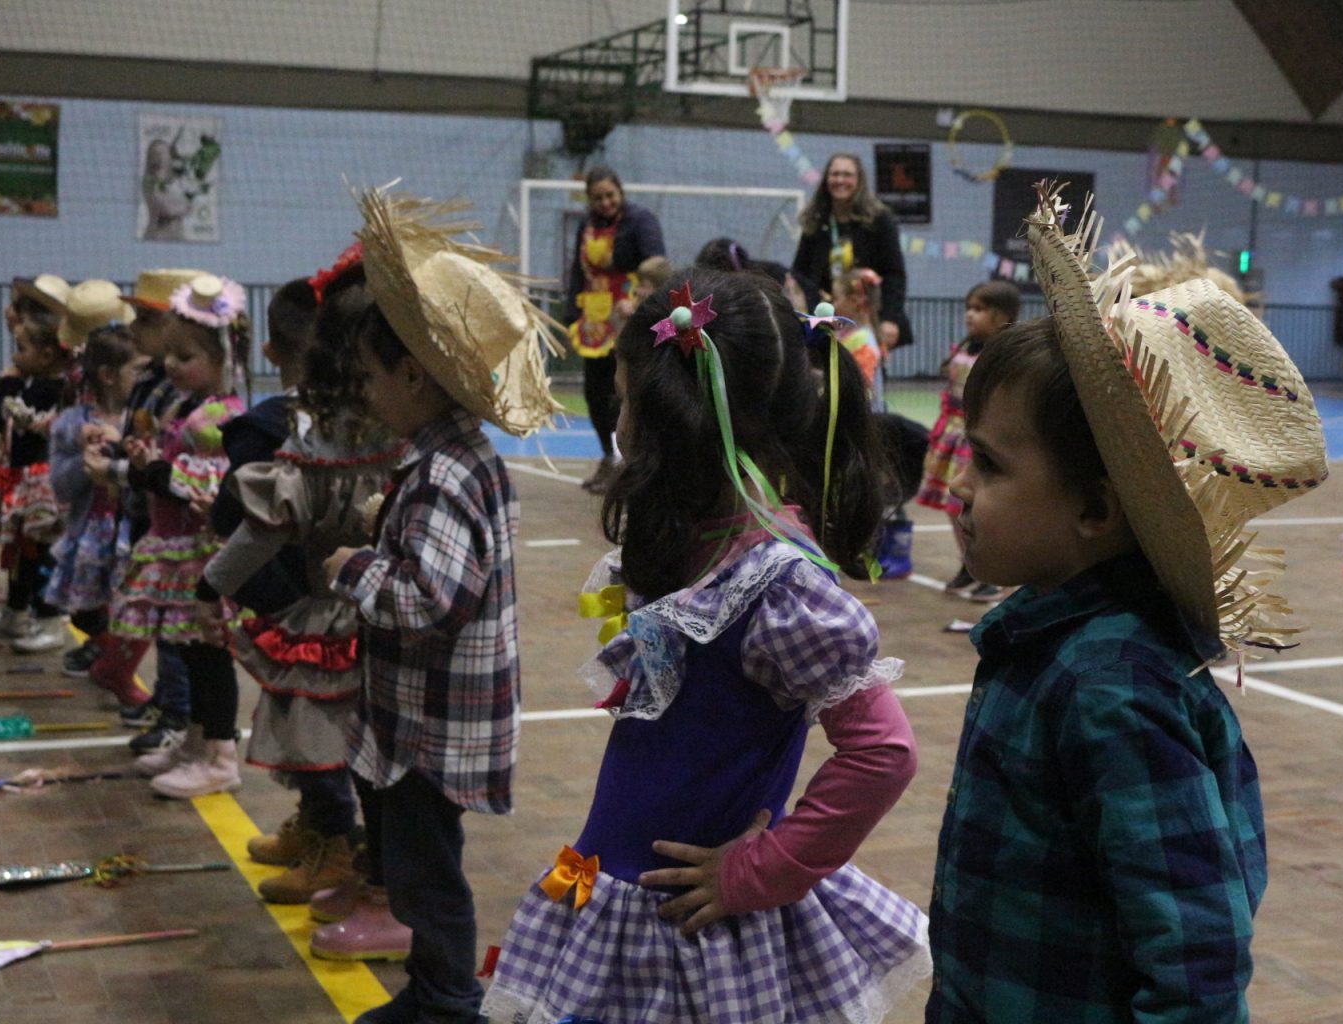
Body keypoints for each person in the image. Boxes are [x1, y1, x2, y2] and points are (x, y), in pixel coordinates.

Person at [482, 269, 930, 1023]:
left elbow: (884, 753)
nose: (618, 417)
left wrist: (767, 869)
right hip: (610, 878)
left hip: (691, 923)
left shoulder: (776, 582)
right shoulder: (696, 543)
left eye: (625, 397)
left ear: (669, 411)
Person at [925, 184, 1327, 1023]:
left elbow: (1196, 958)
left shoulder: (1113, 687)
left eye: (991, 466)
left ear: (1096, 512)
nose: (959, 486)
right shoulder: (1044, 646)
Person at [319, 185, 560, 1024]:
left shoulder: (444, 474)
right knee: (416, 862)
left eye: (371, 378)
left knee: (427, 873)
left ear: (414, 376)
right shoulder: (453, 458)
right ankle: (434, 989)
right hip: (423, 718)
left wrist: (355, 566)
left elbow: (432, 601)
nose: (366, 393)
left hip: (432, 728)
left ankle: (448, 1001)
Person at [198, 264, 404, 906]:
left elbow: (267, 523)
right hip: (365, 609)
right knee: (323, 734)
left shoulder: (324, 442)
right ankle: (328, 834)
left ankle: (339, 848)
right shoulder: (400, 437)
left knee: (317, 733)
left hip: (336, 612)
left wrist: (212, 585)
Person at [112, 274, 249, 799]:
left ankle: (221, 754)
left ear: (223, 359)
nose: (171, 365)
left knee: (210, 656)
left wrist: (151, 473)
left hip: (201, 555)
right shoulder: (186, 410)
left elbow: (200, 489)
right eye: (170, 354)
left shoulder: (218, 420)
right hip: (176, 550)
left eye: (185, 356)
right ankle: (195, 742)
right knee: (190, 653)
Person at [87, 269, 204, 738]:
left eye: (143, 320)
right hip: (146, 518)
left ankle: (178, 715)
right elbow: (140, 443)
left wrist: (115, 470)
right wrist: (113, 452)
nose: (132, 329)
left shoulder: (181, 394)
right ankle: (168, 701)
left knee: (177, 628)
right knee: (158, 618)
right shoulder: (150, 381)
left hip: (178, 532)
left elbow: (168, 465)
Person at [0, 274, 73, 653]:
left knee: (44, 549)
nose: (15, 355)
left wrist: (11, 386)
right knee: (20, 549)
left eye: (21, 348)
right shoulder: (33, 380)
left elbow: (9, 414)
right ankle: (16, 609)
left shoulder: (56, 387)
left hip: (43, 479)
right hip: (21, 475)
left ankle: (48, 617)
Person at [45, 303, 147, 676]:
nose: (146, 376)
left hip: (130, 532)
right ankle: (103, 649)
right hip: (89, 532)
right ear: (107, 375)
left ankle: (114, 663)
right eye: (137, 370)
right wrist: (87, 462)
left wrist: (125, 448)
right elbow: (60, 485)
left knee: (128, 605)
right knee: (85, 609)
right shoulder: (72, 423)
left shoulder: (143, 418)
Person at [563, 165, 665, 494]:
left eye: (610, 195)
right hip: (594, 322)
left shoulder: (641, 221)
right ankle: (608, 456)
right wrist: (571, 315)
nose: (605, 203)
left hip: (628, 319)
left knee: (620, 392)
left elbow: (658, 268)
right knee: (594, 394)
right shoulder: (586, 226)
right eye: (597, 198)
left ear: (620, 192)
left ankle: (627, 462)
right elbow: (577, 273)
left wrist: (639, 303)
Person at [917, 279, 1020, 602]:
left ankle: (991, 570)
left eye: (979, 309)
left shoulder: (1002, 354)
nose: (970, 315)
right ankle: (968, 563)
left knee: (972, 506)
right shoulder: (963, 349)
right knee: (953, 506)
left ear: (1002, 316)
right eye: (968, 308)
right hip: (951, 432)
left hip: (975, 438)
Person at [793, 153, 910, 352]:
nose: (840, 180)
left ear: (859, 181)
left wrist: (890, 318)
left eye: (847, 175)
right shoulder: (816, 222)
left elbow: (894, 274)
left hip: (868, 317)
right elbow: (800, 273)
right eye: (835, 174)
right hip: (826, 316)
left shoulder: (880, 220)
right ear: (826, 179)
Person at [830, 266, 885, 407]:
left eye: (836, 298)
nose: (833, 304)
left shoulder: (863, 341)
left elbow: (861, 389)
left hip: (861, 420)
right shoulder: (847, 333)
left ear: (854, 301)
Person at [141, 138, 191, 242]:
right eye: (155, 153)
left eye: (163, 152)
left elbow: (189, 205)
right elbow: (167, 209)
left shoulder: (176, 180)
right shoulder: (149, 181)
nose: (159, 156)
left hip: (178, 235)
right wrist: (182, 207)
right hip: (158, 236)